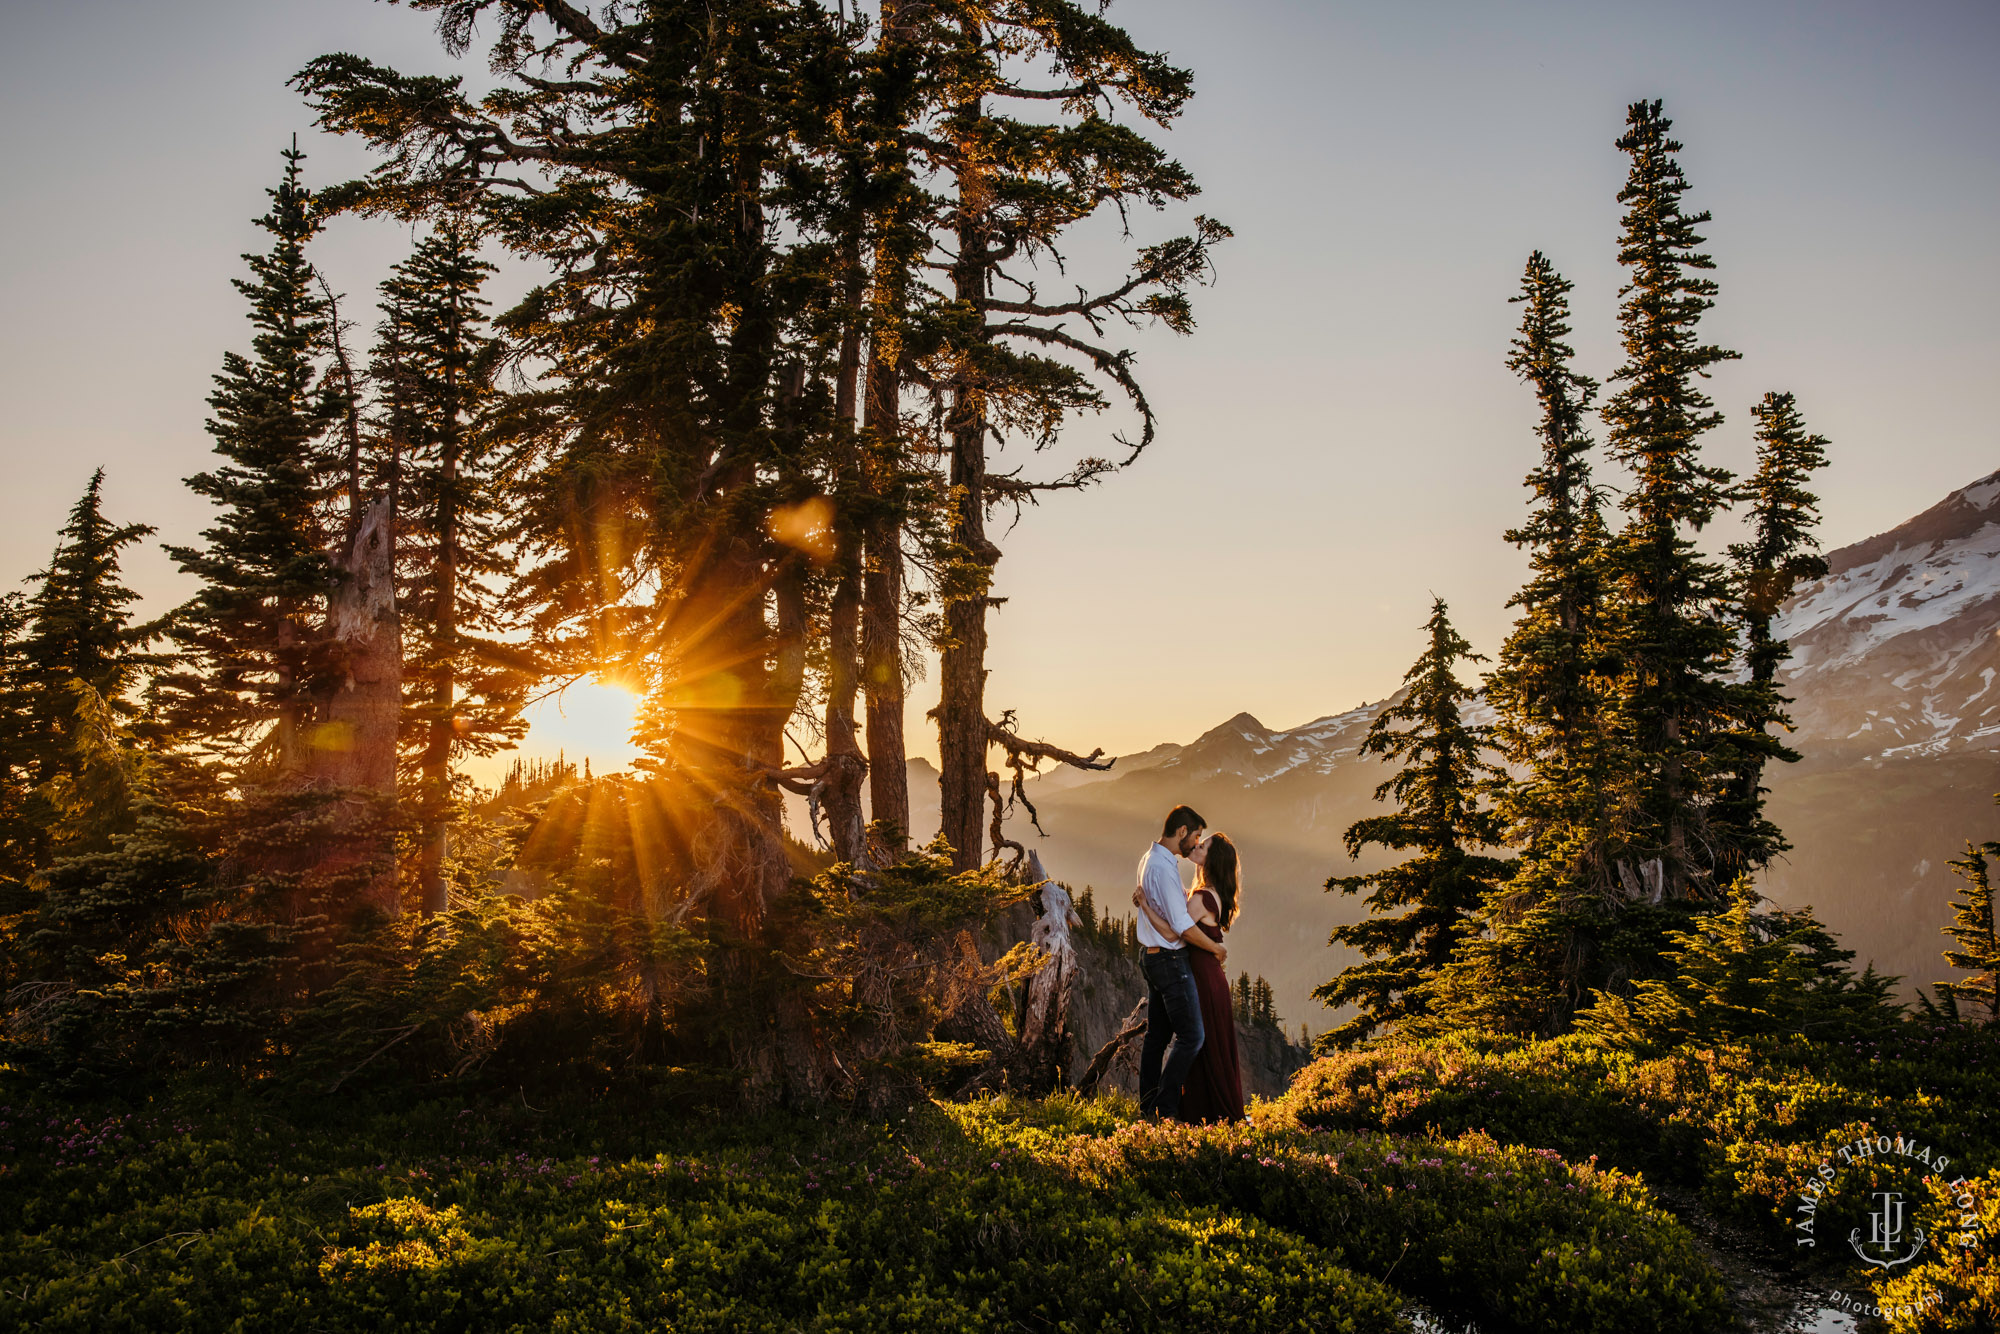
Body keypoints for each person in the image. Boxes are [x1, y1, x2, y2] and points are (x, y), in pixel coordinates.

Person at [1133, 832, 1245, 1123]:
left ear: (1211, 858)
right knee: (1203, 1045)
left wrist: (1145, 906)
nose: (1197, 846)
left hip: (1204, 980)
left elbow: (1173, 931)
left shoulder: (1203, 897)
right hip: (1208, 976)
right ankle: (1196, 1111)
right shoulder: (1209, 893)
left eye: (1203, 845)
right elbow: (1180, 910)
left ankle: (1167, 1108)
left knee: (1194, 1040)